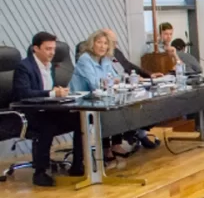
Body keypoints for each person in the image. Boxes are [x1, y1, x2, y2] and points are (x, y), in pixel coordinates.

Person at [11, 31, 83, 185]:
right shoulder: (24, 67)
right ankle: (40, 172)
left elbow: (48, 90)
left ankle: (78, 164)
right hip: (29, 113)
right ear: (35, 48)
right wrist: (52, 93)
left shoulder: (50, 66)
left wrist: (59, 93)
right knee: (46, 125)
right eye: (48, 49)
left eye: (53, 49)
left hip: (48, 111)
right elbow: (23, 93)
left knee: (80, 118)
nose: (52, 53)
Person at [71, 30, 141, 168]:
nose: (102, 46)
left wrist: (112, 81)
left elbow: (116, 77)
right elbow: (95, 84)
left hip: (99, 99)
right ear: (92, 44)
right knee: (110, 114)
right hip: (82, 102)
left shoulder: (106, 60)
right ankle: (85, 160)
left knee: (122, 110)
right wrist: (110, 81)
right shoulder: (85, 59)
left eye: (105, 43)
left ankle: (112, 147)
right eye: (99, 42)